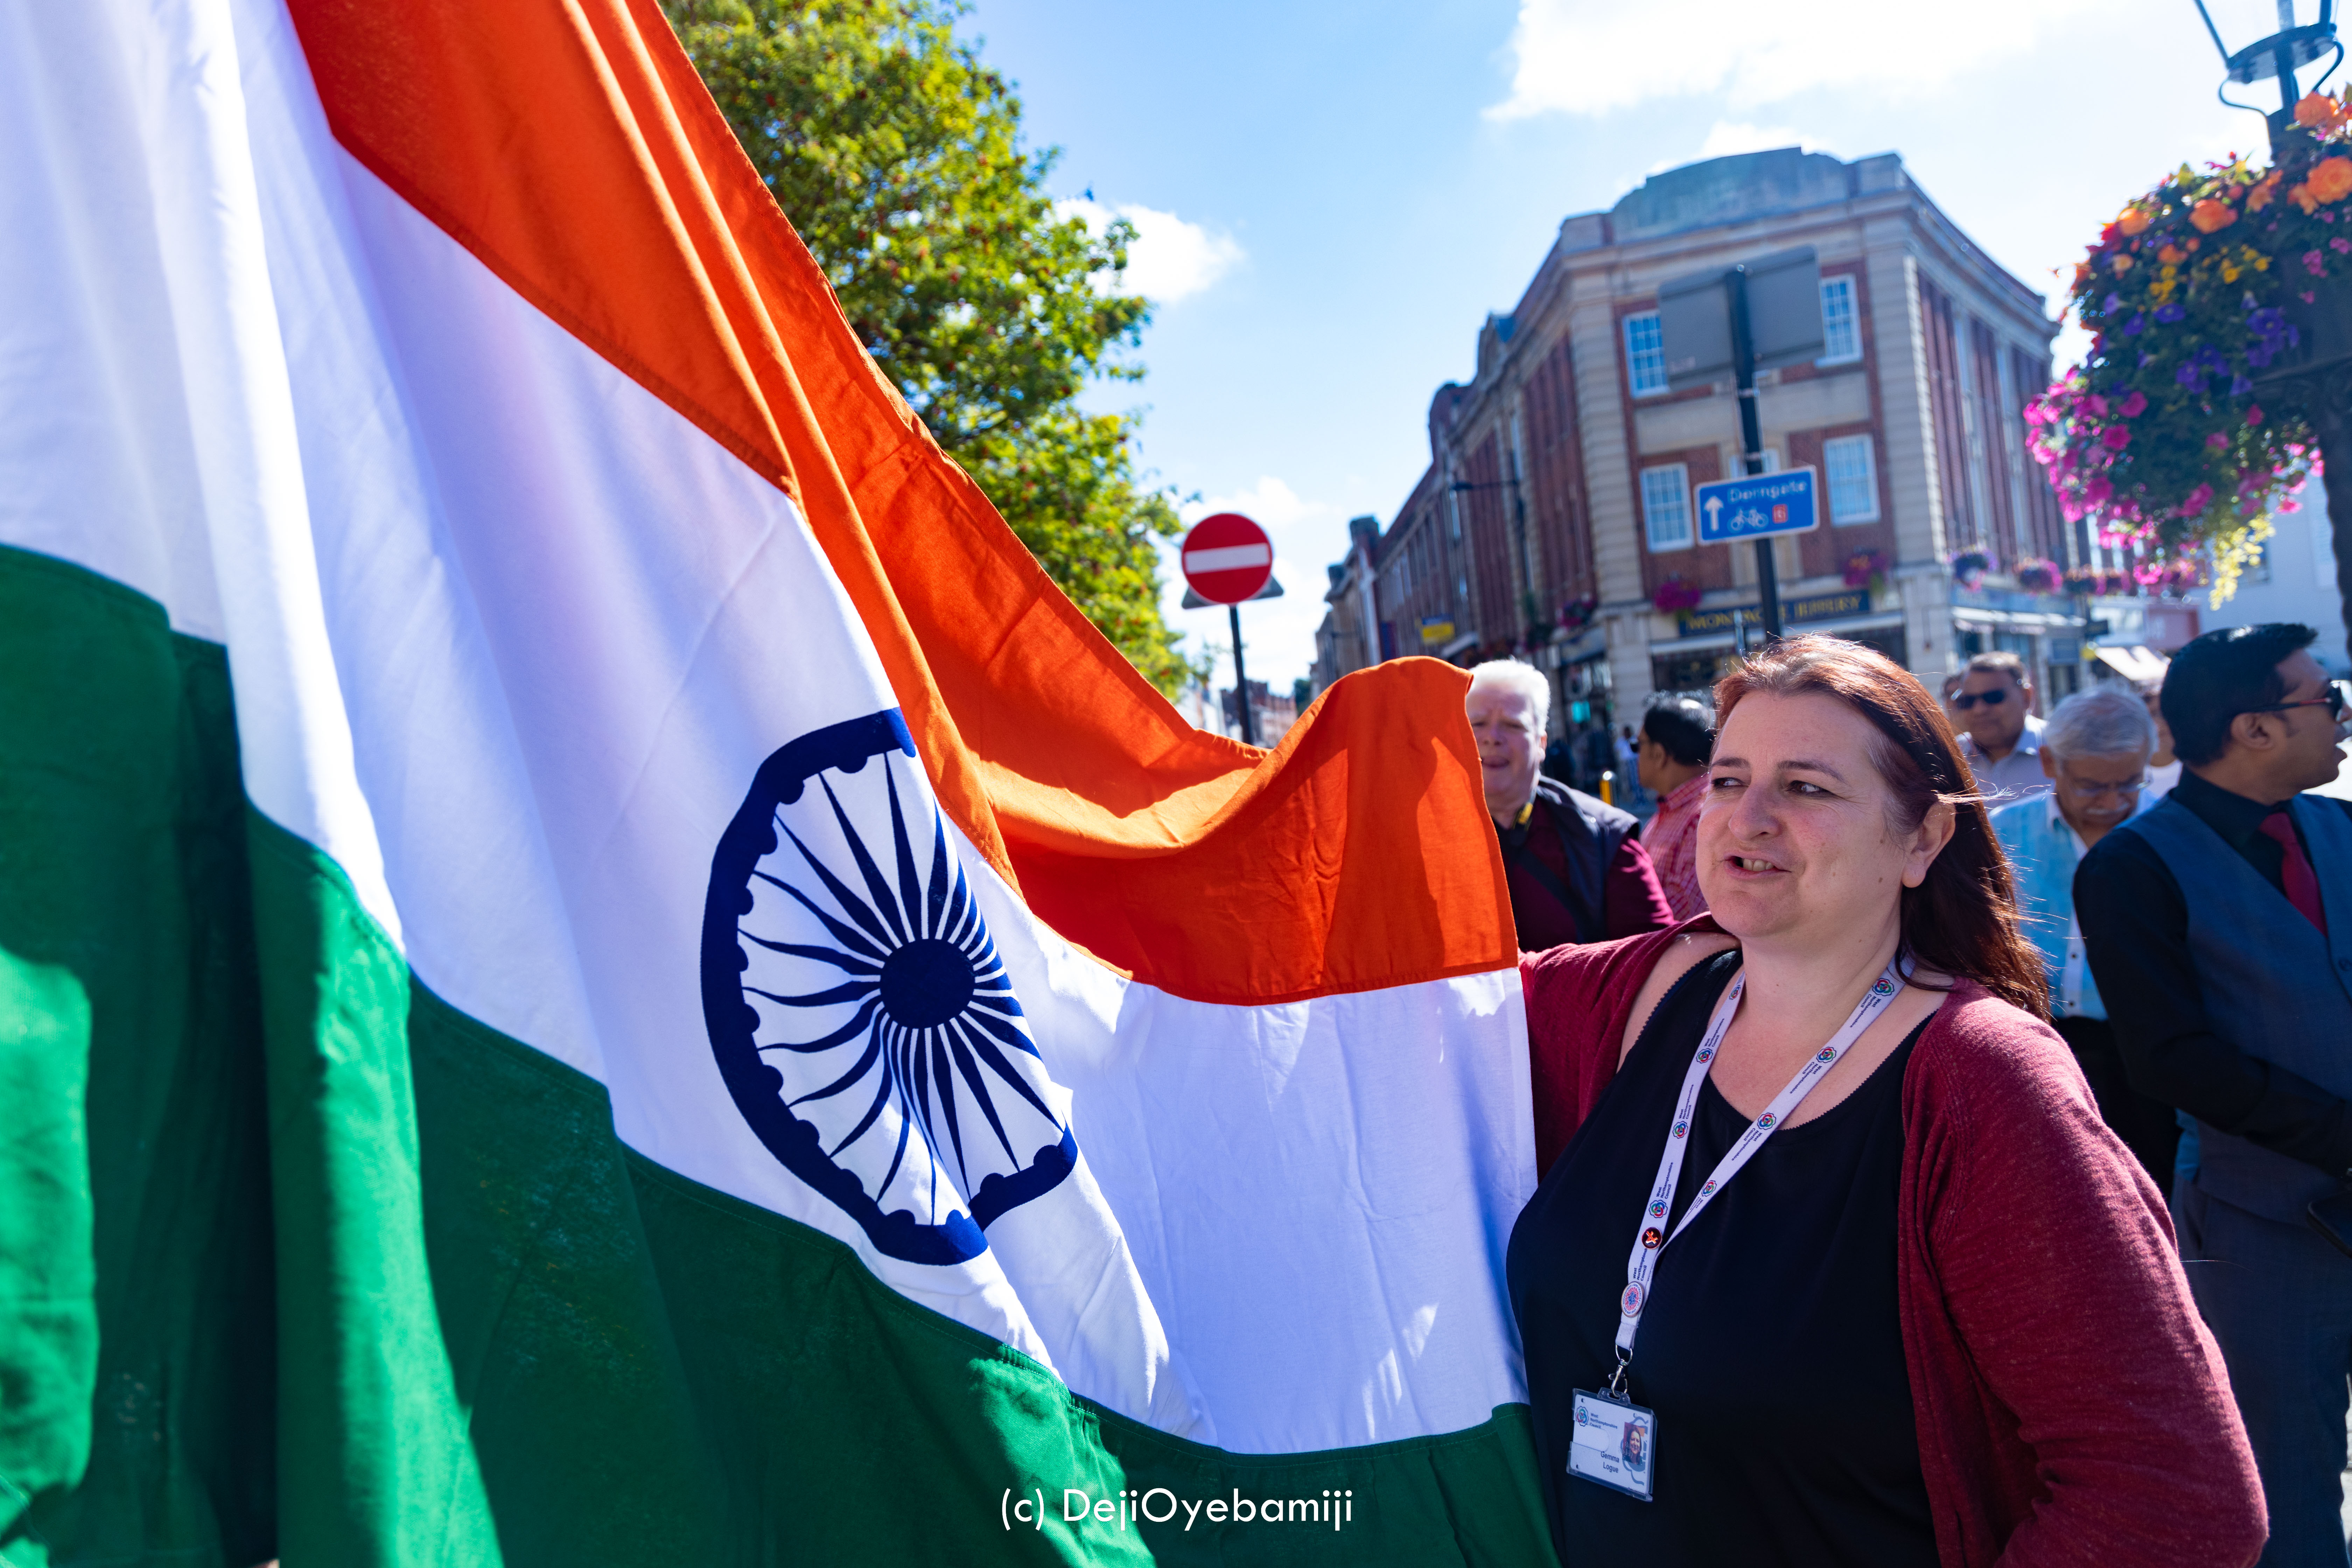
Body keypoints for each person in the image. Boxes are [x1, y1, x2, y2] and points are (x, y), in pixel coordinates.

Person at [1510, 635, 2261, 1567]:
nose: (1748, 817)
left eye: (1806, 787)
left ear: (1923, 839)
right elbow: (1395, 990)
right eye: (1729, 778)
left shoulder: (1985, 1084)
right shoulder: (1641, 996)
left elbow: (2172, 1496)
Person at [2077, 622, 2352, 1568]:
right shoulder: (2131, 868)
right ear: (2255, 729)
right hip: (2263, 1228)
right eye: (2328, 701)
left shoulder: (2343, 827)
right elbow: (2170, 1059)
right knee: (2289, 1486)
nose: (2343, 719)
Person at [1990, 686, 2178, 1189]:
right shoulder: (2002, 834)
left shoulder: (2172, 836)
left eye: (2130, 783)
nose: (2113, 802)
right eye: (2093, 786)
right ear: (2051, 764)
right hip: (2036, 1044)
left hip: (2142, 1054)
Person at [1466, 661, 1673, 952]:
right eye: (1477, 724)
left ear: (1541, 743)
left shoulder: (1604, 838)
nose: (1492, 738)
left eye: (1514, 725)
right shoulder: (1423, 840)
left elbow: (1657, 957)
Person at [1636, 695, 1713, 920]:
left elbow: (1680, 918)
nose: (1636, 755)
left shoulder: (1703, 817)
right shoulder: (1670, 810)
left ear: (1659, 754)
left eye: (1638, 745)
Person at [1950, 650, 2049, 805]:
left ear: (2026, 697)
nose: (1979, 710)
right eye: (1968, 701)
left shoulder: (2062, 750)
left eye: (1993, 697)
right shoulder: (1949, 758)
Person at [2140, 675, 2184, 802]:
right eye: (2155, 714)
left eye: (2168, 712)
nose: (2163, 721)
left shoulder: (2199, 767)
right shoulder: (2128, 770)